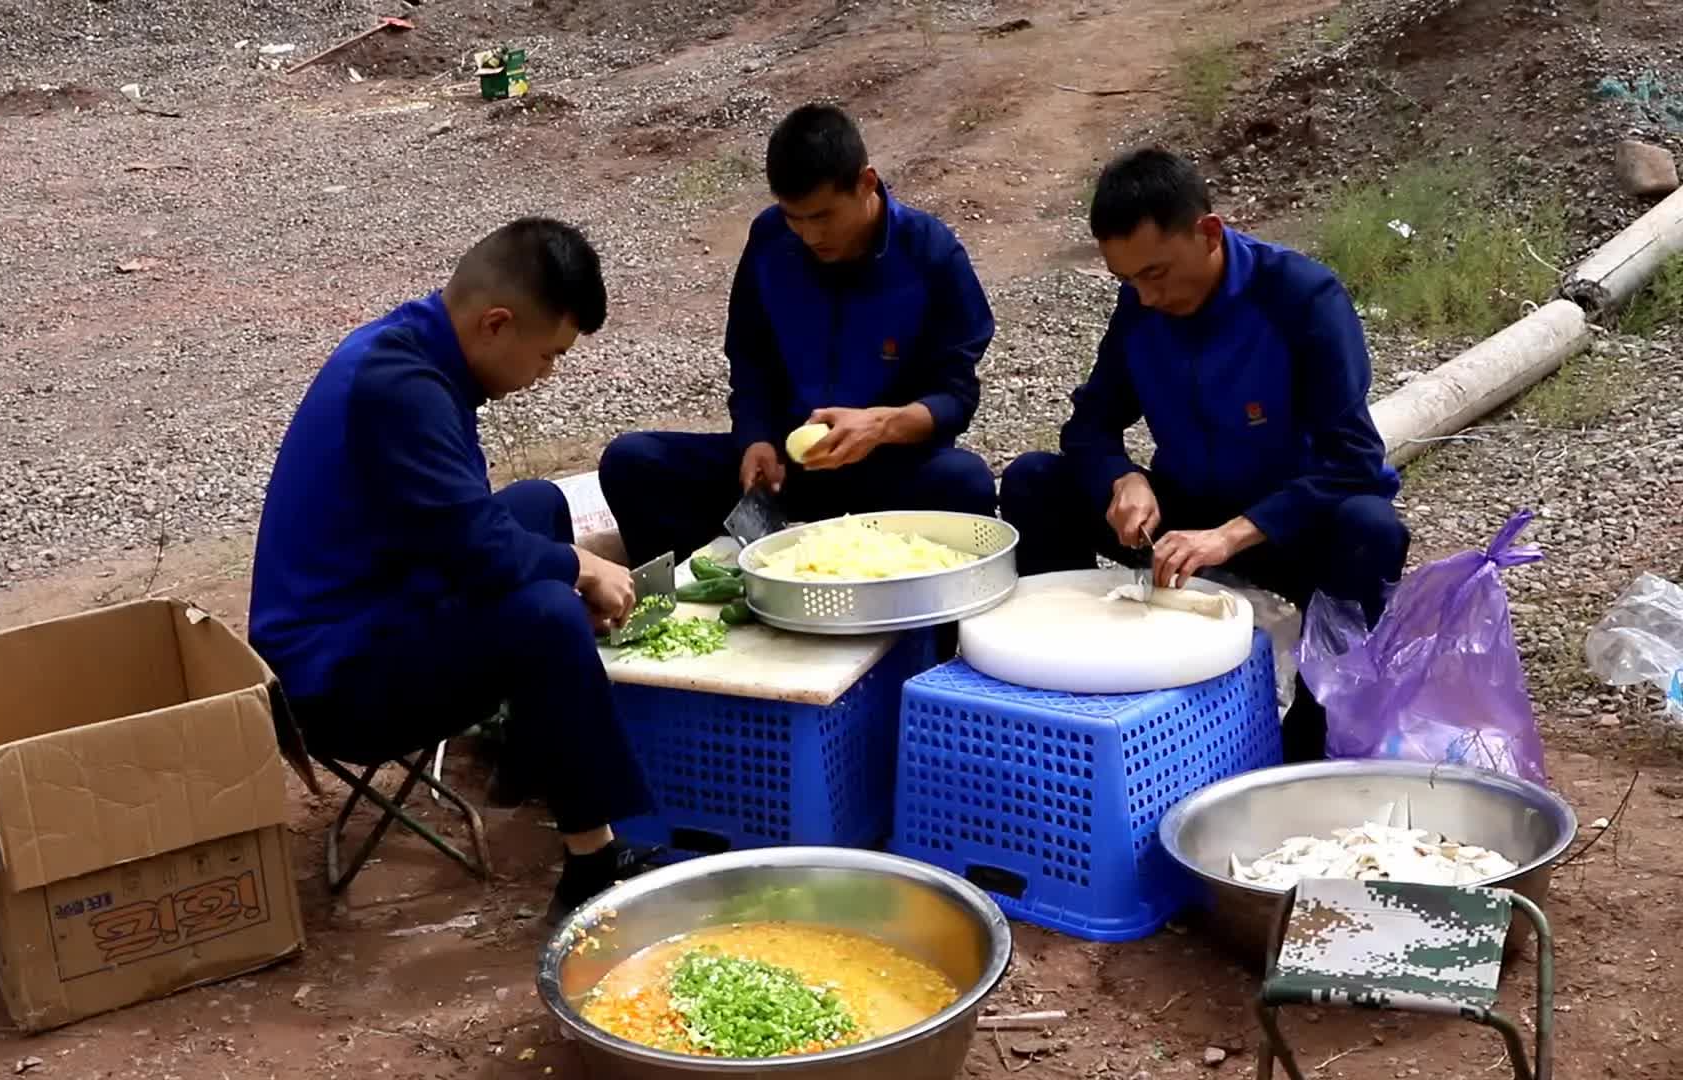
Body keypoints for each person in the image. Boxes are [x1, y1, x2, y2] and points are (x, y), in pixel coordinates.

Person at [248, 218, 657, 922]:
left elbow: (465, 533)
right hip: (334, 683)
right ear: (496, 323)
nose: (545, 377)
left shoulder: (413, 348)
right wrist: (579, 569)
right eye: (547, 356)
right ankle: (593, 864)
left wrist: (559, 562)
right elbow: (477, 548)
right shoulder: (401, 391)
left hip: (380, 606)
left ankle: (534, 760)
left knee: (536, 507)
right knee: (549, 616)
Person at [999, 148, 1410, 763]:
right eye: (1128, 281)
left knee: (1371, 530)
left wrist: (1232, 536)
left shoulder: (1301, 299)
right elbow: (1089, 425)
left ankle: (1311, 741)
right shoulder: (1142, 307)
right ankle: (1058, 688)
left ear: (1208, 232)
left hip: (1286, 526)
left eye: (1157, 274)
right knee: (1034, 481)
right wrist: (1124, 479)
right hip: (1183, 515)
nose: (1146, 295)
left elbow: (1352, 457)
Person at [599, 103, 998, 565]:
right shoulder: (771, 241)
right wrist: (756, 439)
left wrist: (880, 425)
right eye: (795, 217)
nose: (809, 235)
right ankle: (714, 600)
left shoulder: (930, 253)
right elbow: (750, 361)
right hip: (786, 471)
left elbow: (955, 397)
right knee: (633, 462)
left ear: (866, 183)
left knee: (965, 482)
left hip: (884, 468)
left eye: (824, 216)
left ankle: (911, 629)